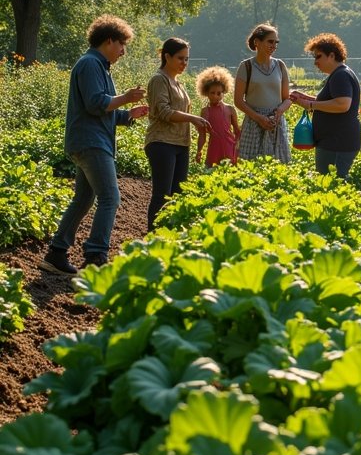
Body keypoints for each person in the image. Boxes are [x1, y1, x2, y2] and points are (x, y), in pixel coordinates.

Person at [39, 15, 148, 275]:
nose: (123, 51)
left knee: (84, 198)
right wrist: (125, 97)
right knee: (110, 197)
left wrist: (129, 114)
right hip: (92, 143)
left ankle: (56, 253)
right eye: (122, 44)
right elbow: (96, 103)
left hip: (91, 141)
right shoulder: (90, 64)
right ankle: (95, 256)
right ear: (109, 40)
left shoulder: (100, 67)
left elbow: (104, 111)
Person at [144, 37, 211, 230]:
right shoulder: (159, 80)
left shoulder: (178, 83)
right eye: (180, 58)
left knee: (178, 194)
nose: (184, 63)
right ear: (167, 57)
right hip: (161, 142)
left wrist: (195, 121)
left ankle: (170, 235)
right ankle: (154, 235)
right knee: (162, 194)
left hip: (181, 143)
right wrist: (192, 118)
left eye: (187, 59)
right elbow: (163, 112)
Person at [290, 33, 361, 178]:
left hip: (337, 143)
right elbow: (333, 101)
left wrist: (310, 104)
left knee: (331, 185)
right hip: (335, 141)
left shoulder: (340, 75)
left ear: (331, 55)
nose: (315, 62)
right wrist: (304, 98)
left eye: (318, 56)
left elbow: (342, 104)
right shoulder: (339, 74)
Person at [234, 23, 292, 163]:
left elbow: (287, 98)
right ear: (257, 42)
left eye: (276, 42)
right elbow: (238, 101)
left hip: (275, 123)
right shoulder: (246, 66)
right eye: (270, 42)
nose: (273, 46)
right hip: (254, 123)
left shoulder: (280, 65)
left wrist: (279, 112)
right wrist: (259, 118)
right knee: (251, 167)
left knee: (278, 166)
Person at [194, 65, 241, 167]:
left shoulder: (230, 109)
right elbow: (202, 134)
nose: (216, 96)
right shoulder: (205, 111)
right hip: (214, 148)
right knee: (212, 173)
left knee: (230, 175)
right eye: (212, 93)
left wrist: (237, 146)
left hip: (230, 147)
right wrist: (199, 151)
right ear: (206, 92)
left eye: (219, 93)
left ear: (224, 92)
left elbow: (237, 131)